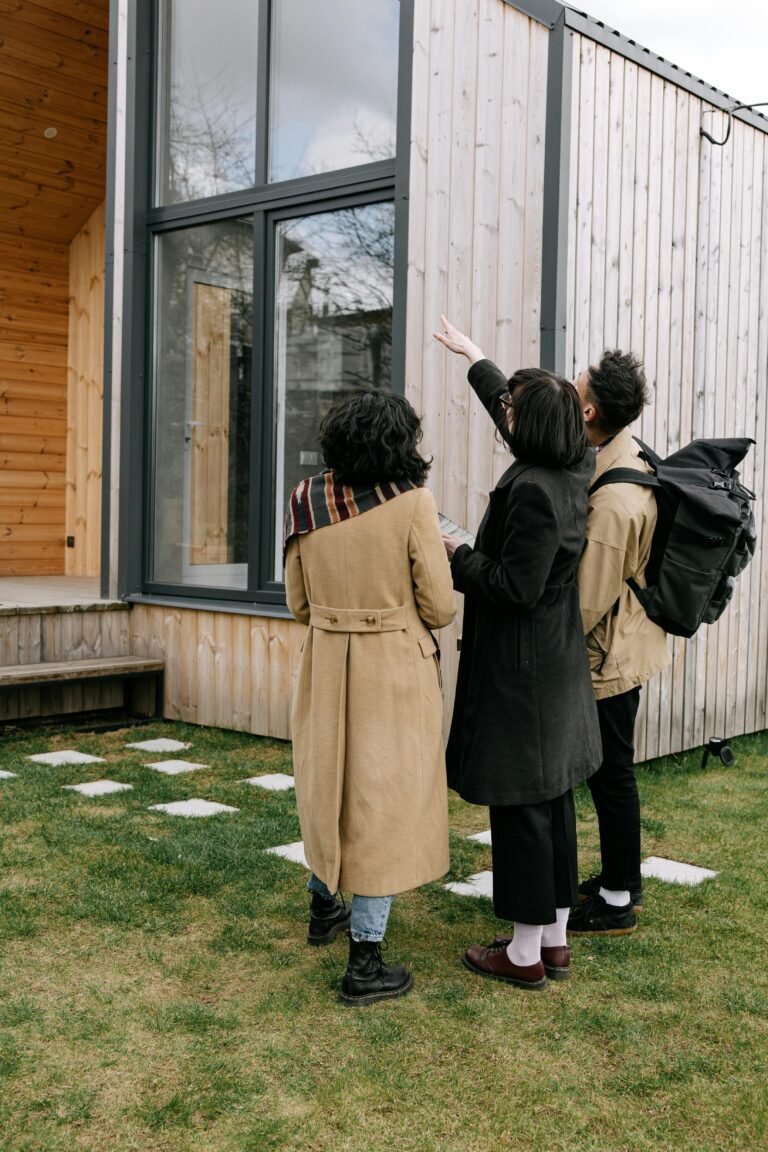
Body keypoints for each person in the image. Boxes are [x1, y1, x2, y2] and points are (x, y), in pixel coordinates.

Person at [434, 317, 601, 990]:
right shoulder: (575, 463)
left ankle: (524, 954)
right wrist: (477, 359)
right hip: (554, 667)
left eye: (511, 412)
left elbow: (515, 587)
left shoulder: (533, 492)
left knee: (522, 811)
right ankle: (554, 940)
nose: (505, 417)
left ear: (529, 431)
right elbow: (520, 411)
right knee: (552, 799)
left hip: (523, 675)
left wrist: (456, 553)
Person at [284, 390, 456, 1005]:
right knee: (380, 802)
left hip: (326, 664)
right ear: (398, 443)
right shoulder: (412, 503)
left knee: (328, 784)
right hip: (392, 672)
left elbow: (297, 604)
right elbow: (439, 606)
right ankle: (365, 962)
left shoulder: (306, 501)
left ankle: (322, 907)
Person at [565, 351, 670, 936]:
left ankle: (615, 900)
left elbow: (586, 601)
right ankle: (620, 877)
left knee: (611, 774)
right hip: (624, 641)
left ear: (589, 409)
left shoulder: (614, 502)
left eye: (577, 382)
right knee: (612, 772)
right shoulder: (619, 451)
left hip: (611, 654)